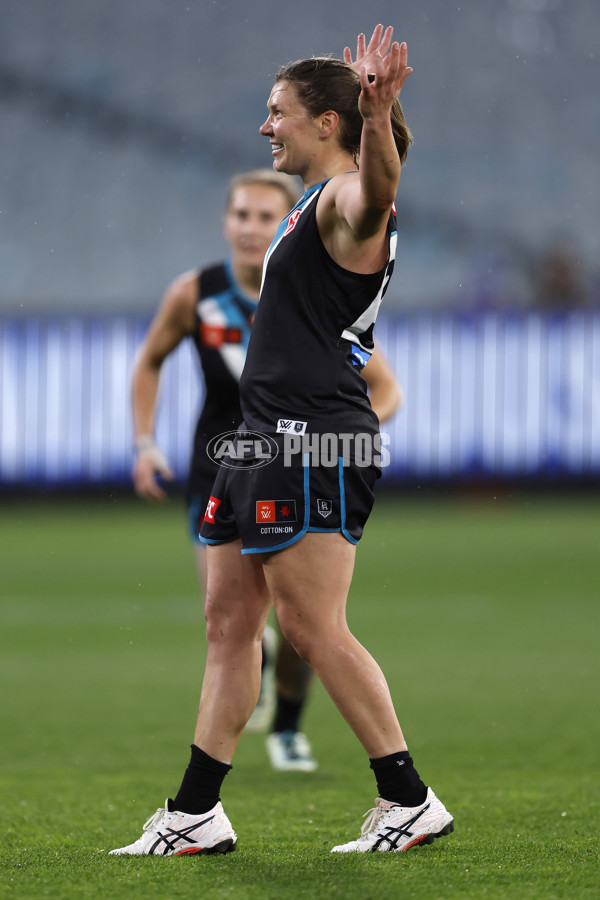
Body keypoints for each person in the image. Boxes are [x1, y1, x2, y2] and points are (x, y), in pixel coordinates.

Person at [111, 24, 453, 856]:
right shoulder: (305, 206)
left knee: (312, 628)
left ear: (326, 123)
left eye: (279, 113)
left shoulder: (344, 200)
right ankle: (195, 812)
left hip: (310, 440)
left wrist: (379, 117)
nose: (267, 127)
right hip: (259, 441)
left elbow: (376, 192)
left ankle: (408, 799)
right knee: (229, 624)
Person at [131, 169, 402, 773]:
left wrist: (336, 440)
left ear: (287, 224)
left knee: (302, 620)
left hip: (294, 460)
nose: (252, 229)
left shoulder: (310, 292)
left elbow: (383, 390)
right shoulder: (194, 293)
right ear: (226, 221)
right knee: (229, 618)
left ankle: (287, 728)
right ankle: (202, 800)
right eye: (241, 215)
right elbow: (149, 360)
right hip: (222, 464)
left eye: (264, 217)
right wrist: (145, 442)